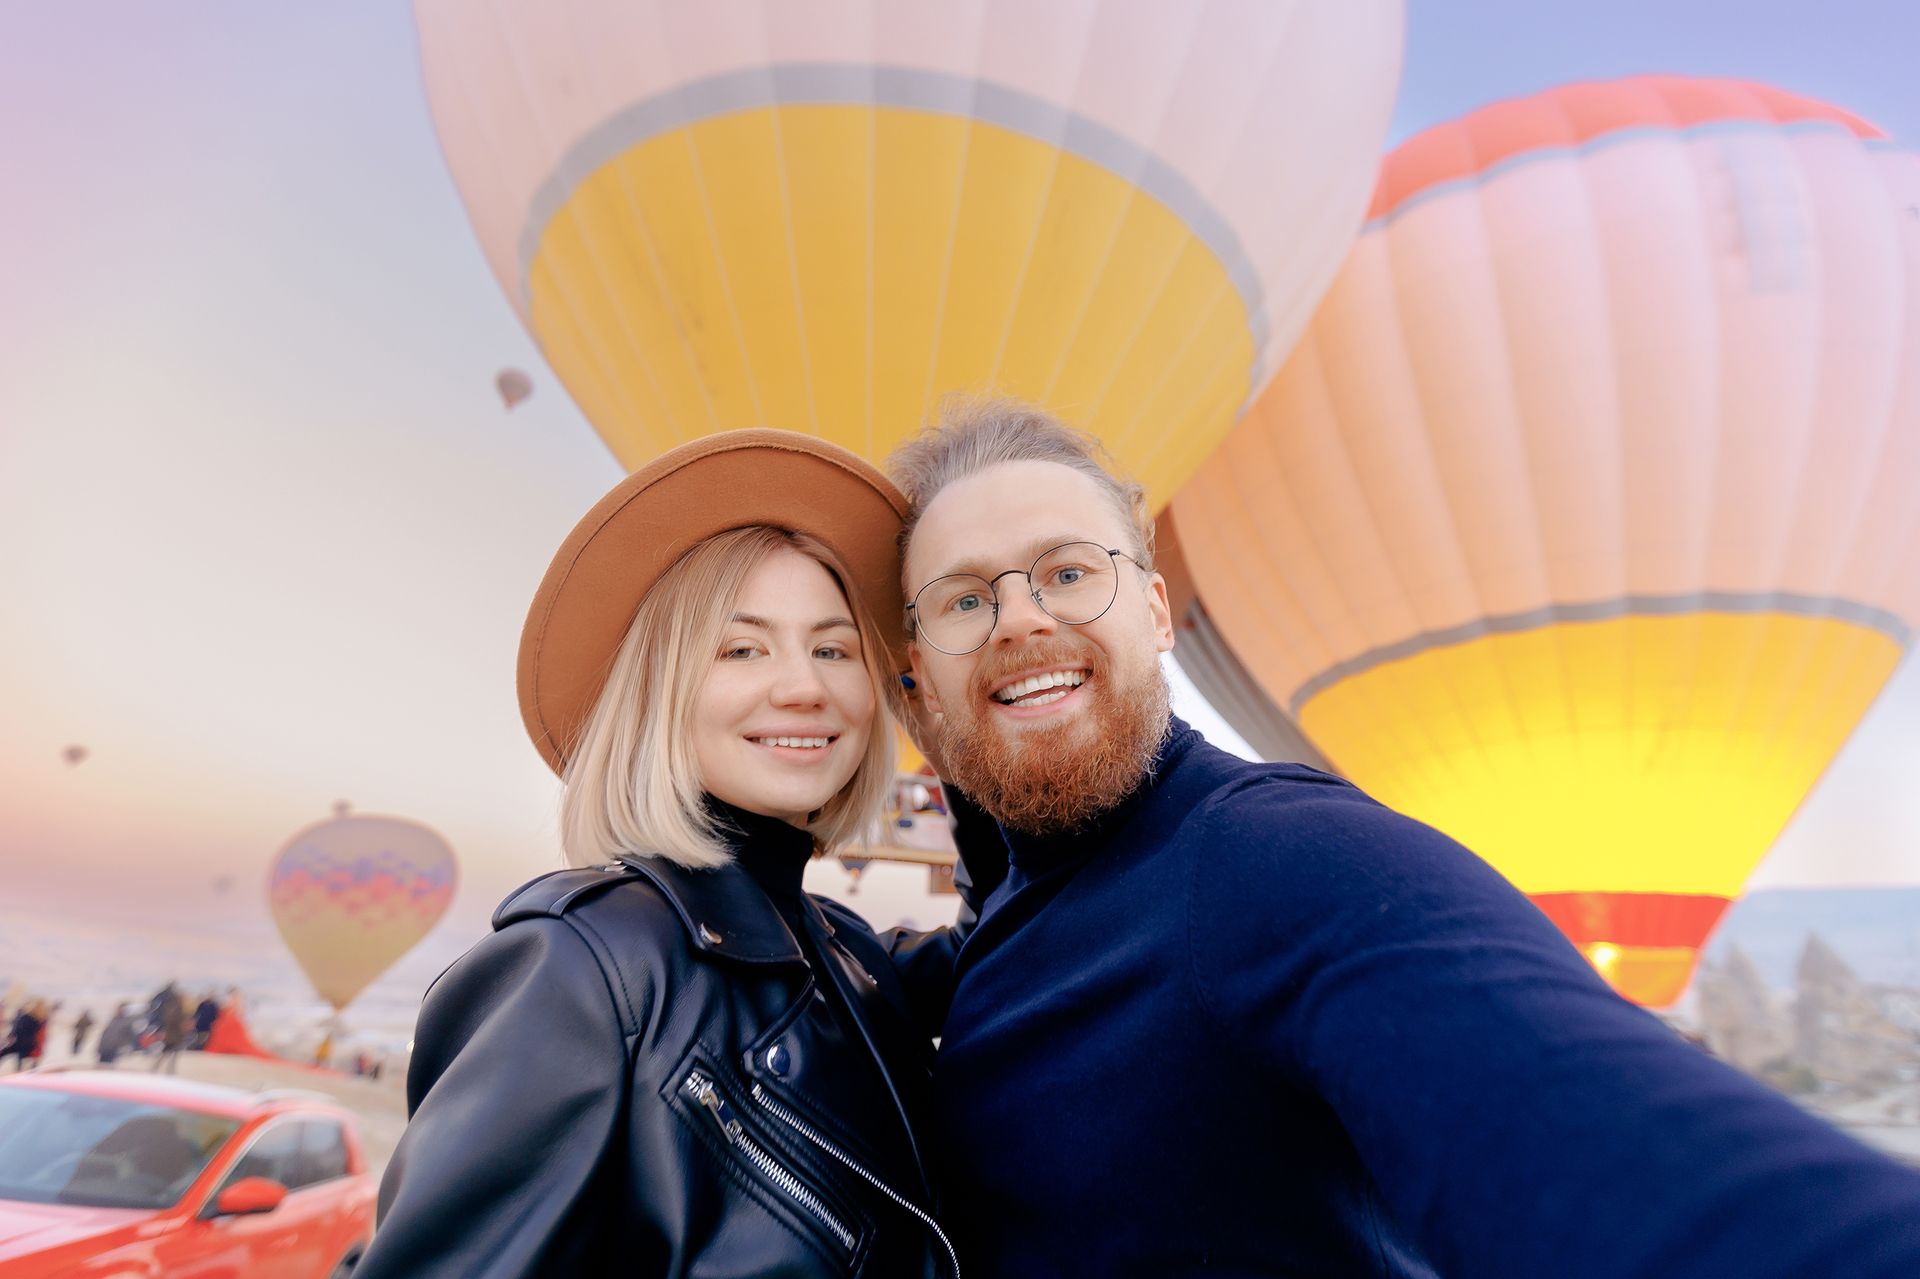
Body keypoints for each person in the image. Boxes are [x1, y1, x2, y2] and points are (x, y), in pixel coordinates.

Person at [883, 397, 1920, 1279]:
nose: (1019, 619)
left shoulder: (1276, 859)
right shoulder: (1016, 906)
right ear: (920, 675)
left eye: (1068, 573)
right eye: (965, 598)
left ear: (1156, 613)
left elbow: (1609, 1148)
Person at [359, 431, 960, 1278]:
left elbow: (1025, 941)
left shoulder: (850, 956)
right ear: (659, 690)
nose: (806, 686)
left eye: (834, 649)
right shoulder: (582, 969)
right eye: (741, 648)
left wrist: (972, 740)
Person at [1, 1000, 45, 1072]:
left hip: (20, 1043)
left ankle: (20, 1071)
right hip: (30, 1044)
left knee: (3, 1053)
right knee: (21, 1059)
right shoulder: (39, 1019)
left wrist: (10, 1036)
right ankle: (25, 1072)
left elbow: (17, 1029)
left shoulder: (24, 1017)